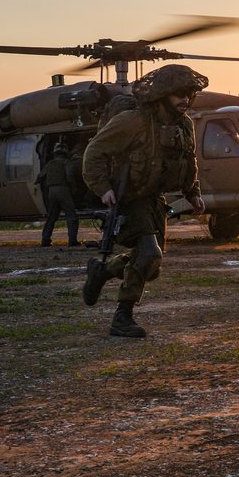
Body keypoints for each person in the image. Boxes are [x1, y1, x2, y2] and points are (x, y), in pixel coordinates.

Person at [80, 64, 207, 338]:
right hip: (129, 196)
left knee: (151, 266)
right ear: (163, 95)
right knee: (149, 254)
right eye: (179, 94)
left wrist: (192, 192)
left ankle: (102, 271)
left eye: (189, 94)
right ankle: (122, 318)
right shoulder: (134, 121)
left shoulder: (183, 125)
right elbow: (95, 150)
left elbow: (188, 159)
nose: (185, 100)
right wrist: (103, 188)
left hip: (153, 198)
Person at [37, 143, 80, 247]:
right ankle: (72, 241)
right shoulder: (66, 162)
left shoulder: (49, 164)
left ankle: (45, 240)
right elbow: (69, 176)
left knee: (51, 217)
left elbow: (39, 177)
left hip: (51, 191)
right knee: (71, 216)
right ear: (66, 153)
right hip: (63, 190)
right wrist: (74, 188)